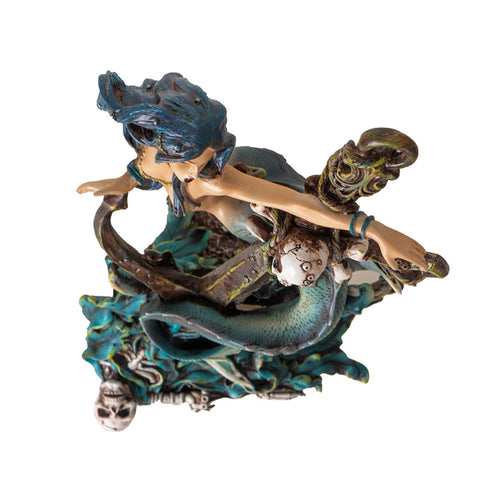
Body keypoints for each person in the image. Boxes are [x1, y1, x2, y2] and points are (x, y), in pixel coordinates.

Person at [77, 72, 427, 272]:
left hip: (249, 193)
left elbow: (295, 202)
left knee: (254, 223)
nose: (198, 170)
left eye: (208, 157)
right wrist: (118, 183)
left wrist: (376, 231)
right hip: (193, 218)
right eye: (189, 161)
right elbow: (141, 173)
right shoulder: (151, 157)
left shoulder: (216, 176)